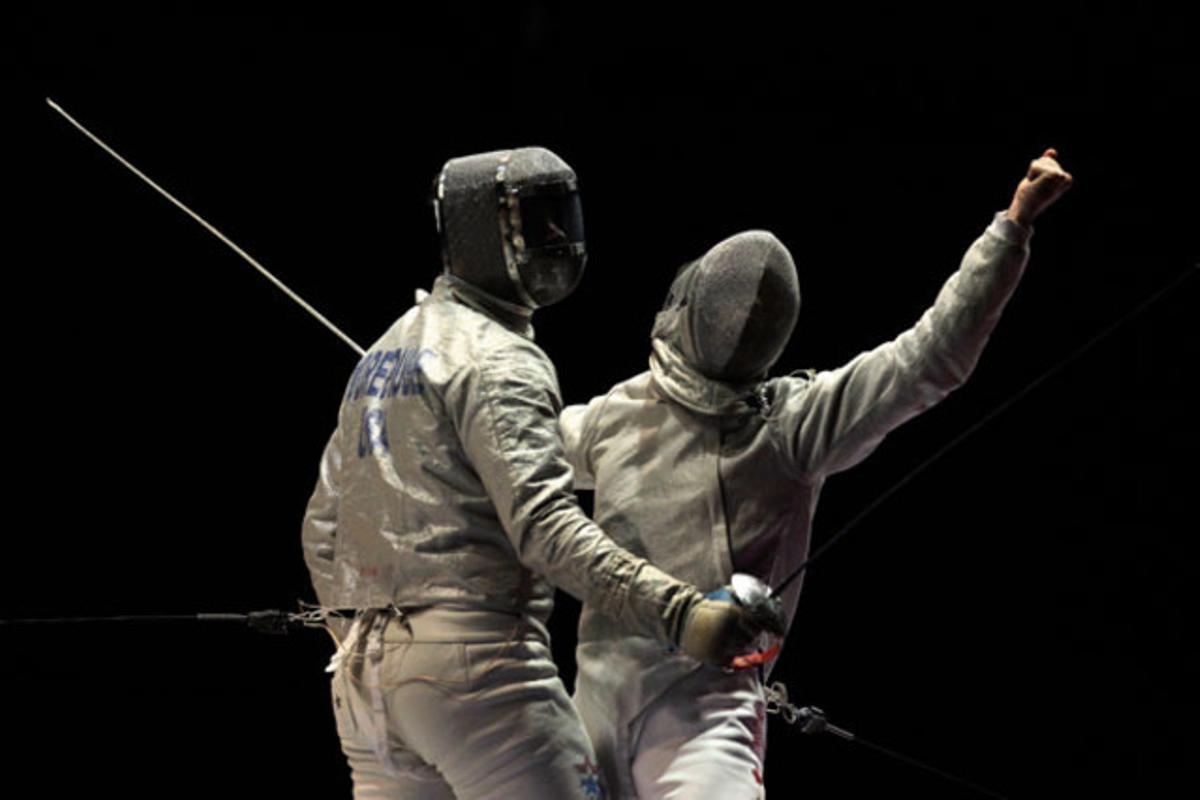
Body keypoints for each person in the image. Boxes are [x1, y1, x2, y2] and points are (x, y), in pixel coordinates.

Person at [560, 149, 1074, 798]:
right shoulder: (625, 412)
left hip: (702, 717)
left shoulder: (786, 425)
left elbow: (928, 358)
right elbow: (514, 467)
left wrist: (1010, 230)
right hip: (594, 705)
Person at [301, 147, 774, 799]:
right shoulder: (505, 361)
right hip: (481, 677)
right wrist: (683, 613)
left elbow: (323, 528)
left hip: (364, 686)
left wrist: (372, 639)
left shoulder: (382, 355)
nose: (556, 237)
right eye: (533, 218)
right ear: (474, 231)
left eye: (561, 215)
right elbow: (546, 532)